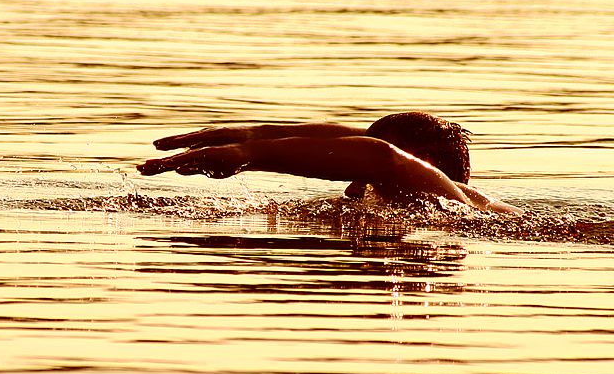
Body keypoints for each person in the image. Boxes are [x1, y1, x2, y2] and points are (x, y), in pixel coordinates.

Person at [137, 111, 522, 214]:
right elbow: (360, 145)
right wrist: (253, 133)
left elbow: (378, 155)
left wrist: (248, 156)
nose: (352, 184)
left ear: (422, 161)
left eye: (359, 174)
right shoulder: (433, 203)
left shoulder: (459, 201)